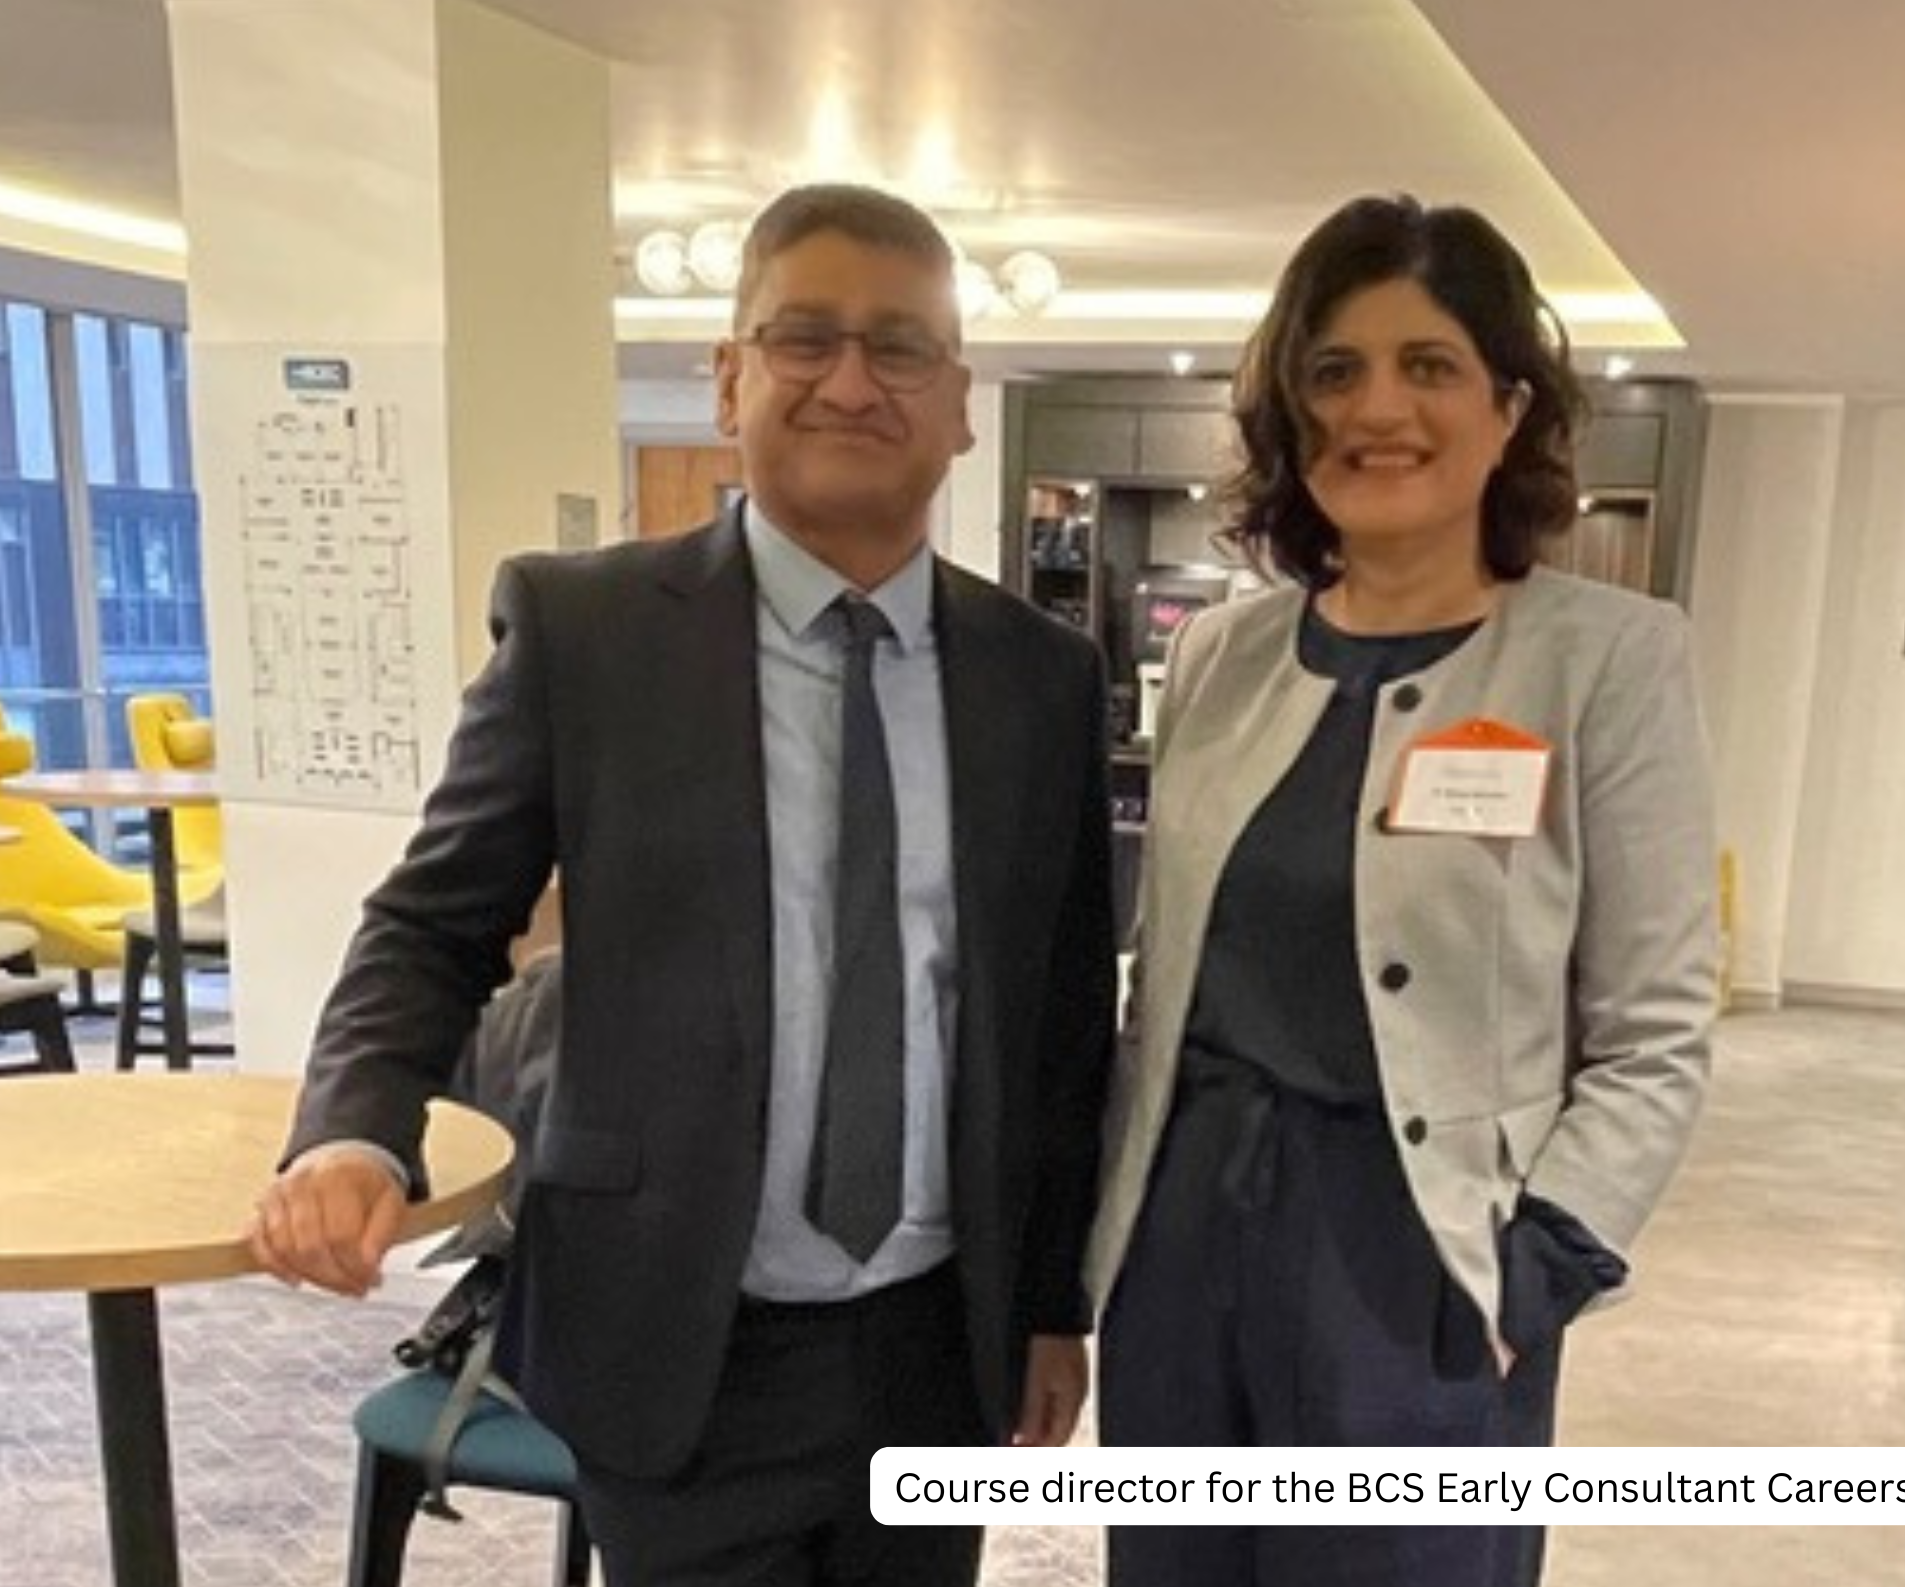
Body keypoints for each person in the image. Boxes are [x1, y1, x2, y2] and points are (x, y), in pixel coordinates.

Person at [248, 182, 1116, 1587]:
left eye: (900, 348)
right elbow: (432, 920)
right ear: (728, 376)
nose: (851, 380)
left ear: (959, 401)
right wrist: (352, 1129)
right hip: (680, 1338)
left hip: (933, 1342)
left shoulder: (1039, 677)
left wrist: (1050, 1301)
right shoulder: (586, 632)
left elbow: (1066, 1018)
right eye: (803, 337)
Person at [1085, 194, 1718, 1587]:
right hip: (1187, 1236)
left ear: (1507, 408)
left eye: (1427, 365)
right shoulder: (1222, 658)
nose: (1380, 408)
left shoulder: (1607, 659)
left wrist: (1538, 1266)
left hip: (1420, 1252)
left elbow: (1659, 1028)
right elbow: (1163, 978)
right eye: (1335, 370)